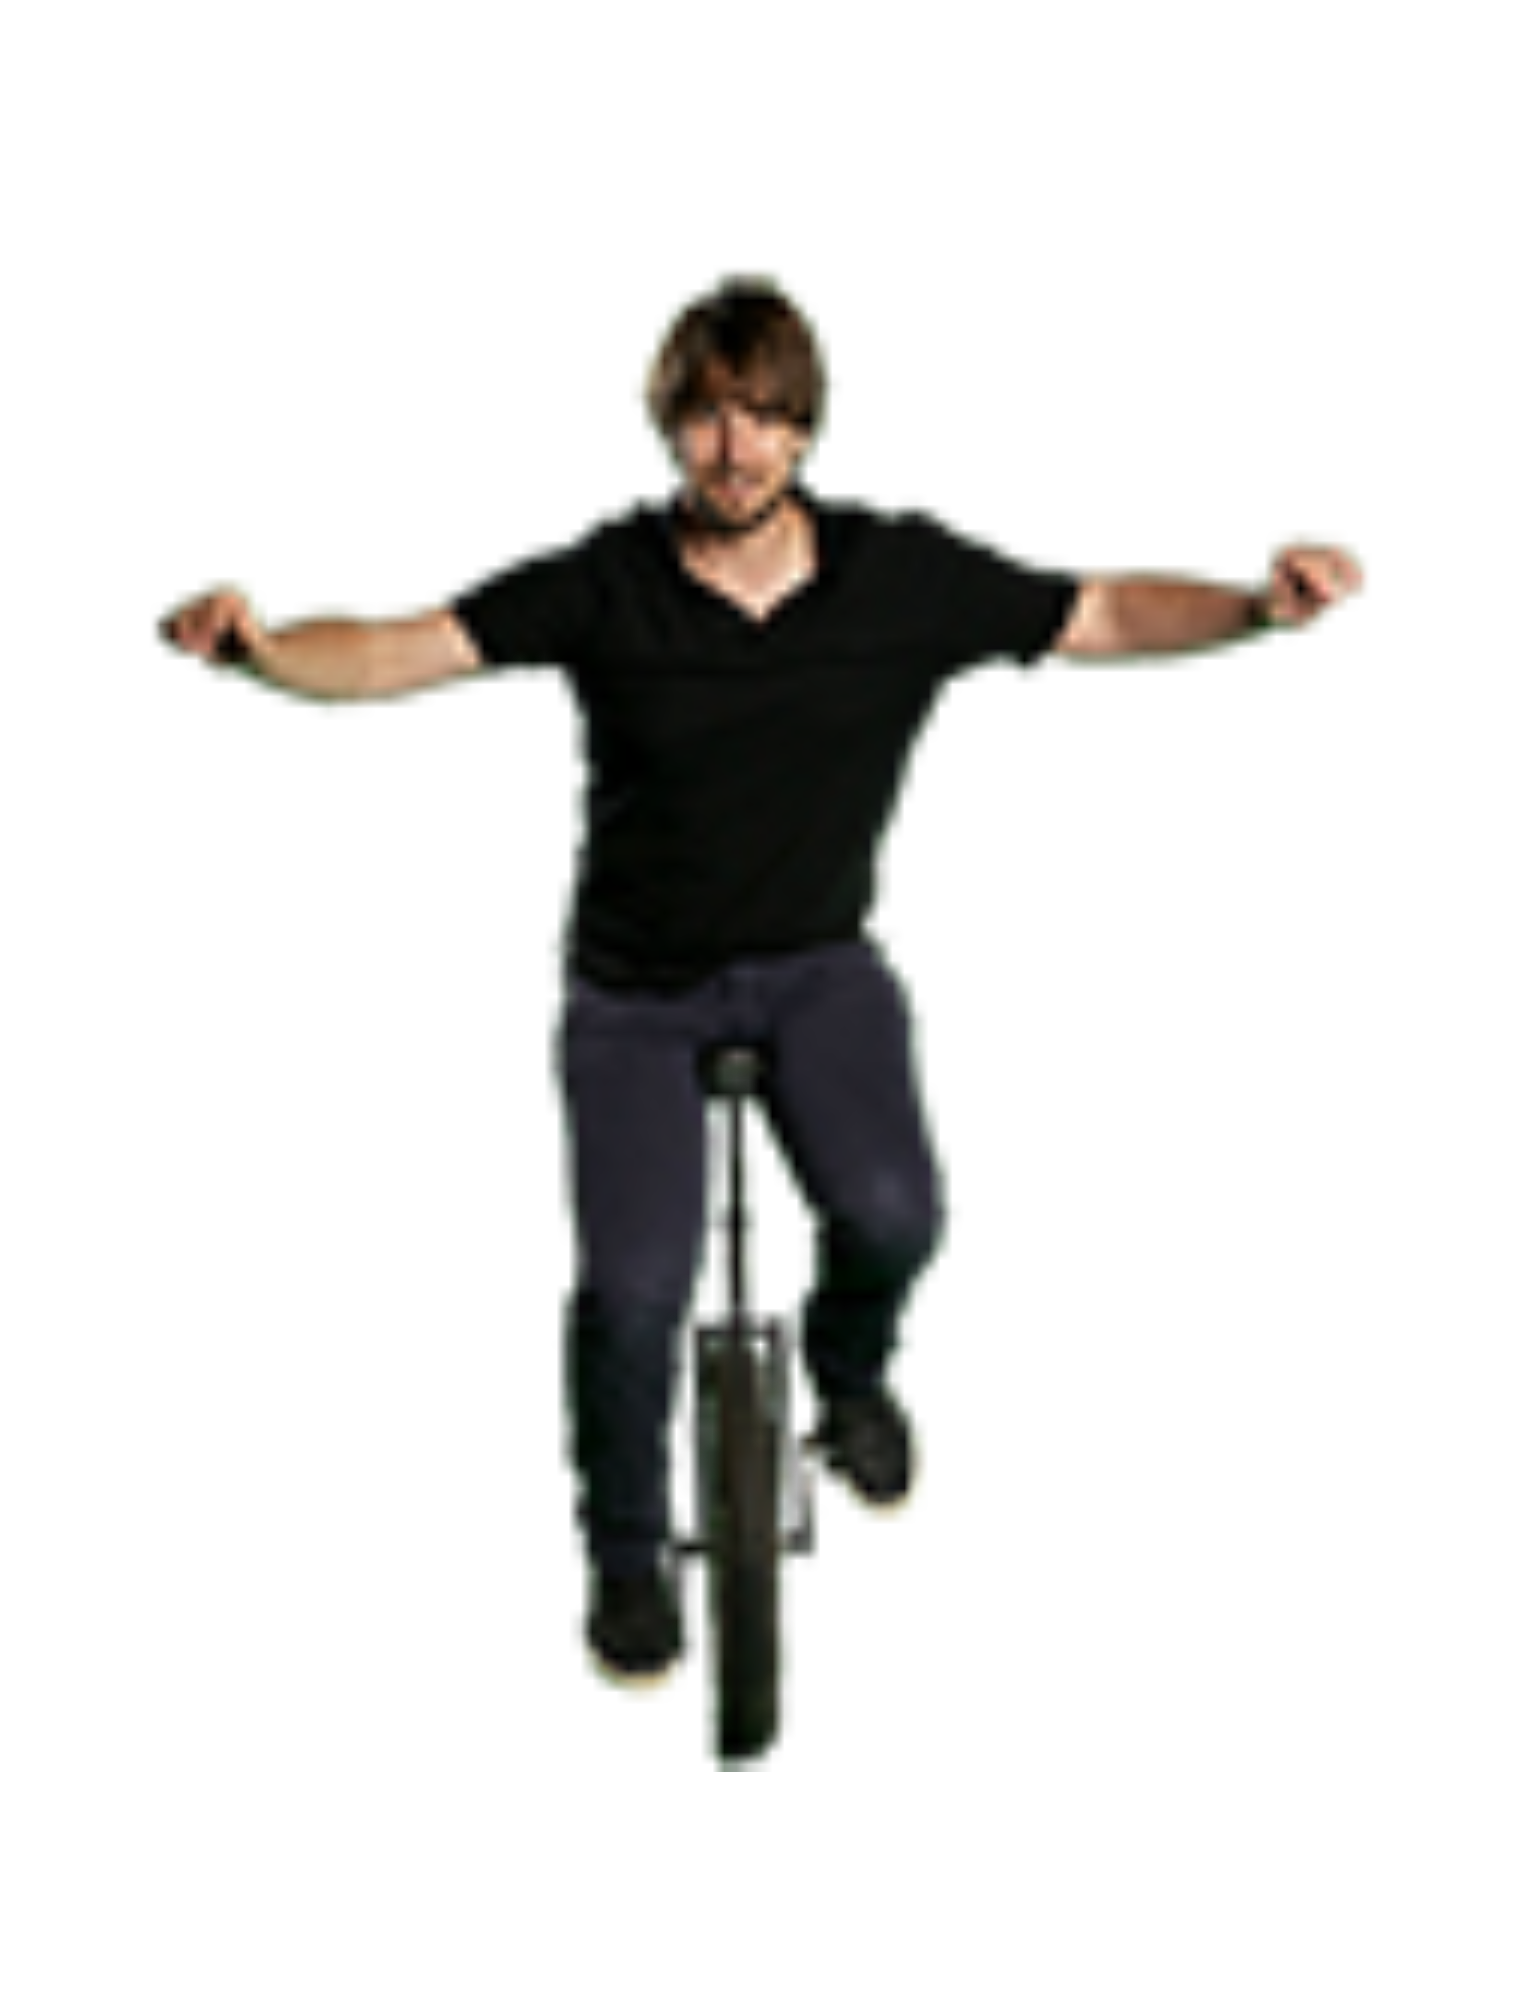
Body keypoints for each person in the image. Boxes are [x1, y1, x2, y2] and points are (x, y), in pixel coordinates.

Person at [160, 276, 1364, 1686]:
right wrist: (259, 652)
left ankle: (848, 1376)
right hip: (635, 998)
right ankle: (624, 1559)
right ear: (670, 424)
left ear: (806, 428)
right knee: (633, 1296)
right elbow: (395, 650)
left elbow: (1095, 612)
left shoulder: (897, 577)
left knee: (896, 1214)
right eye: (708, 417)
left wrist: (1259, 609)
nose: (734, 450)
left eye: (764, 417)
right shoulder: (608, 583)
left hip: (816, 972)